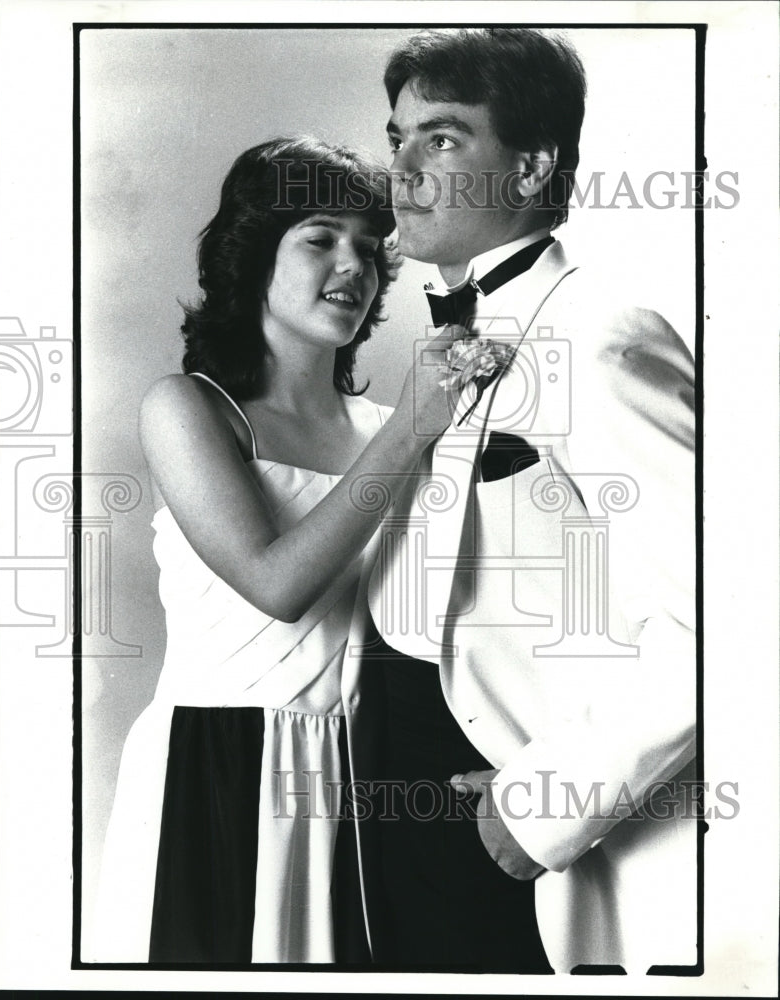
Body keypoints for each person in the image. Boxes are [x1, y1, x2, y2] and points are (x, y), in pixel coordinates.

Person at [346, 28, 696, 974]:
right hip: (386, 772)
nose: (403, 171)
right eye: (398, 138)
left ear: (535, 163)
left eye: (444, 139)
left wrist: (541, 806)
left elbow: (722, 627)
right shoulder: (424, 349)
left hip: (518, 811)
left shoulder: (603, 338)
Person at [90, 136, 463, 965]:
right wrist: (416, 423)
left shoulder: (385, 434)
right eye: (320, 237)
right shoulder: (189, 408)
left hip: (362, 781)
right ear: (255, 252)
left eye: (370, 248)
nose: (353, 266)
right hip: (214, 772)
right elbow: (277, 583)